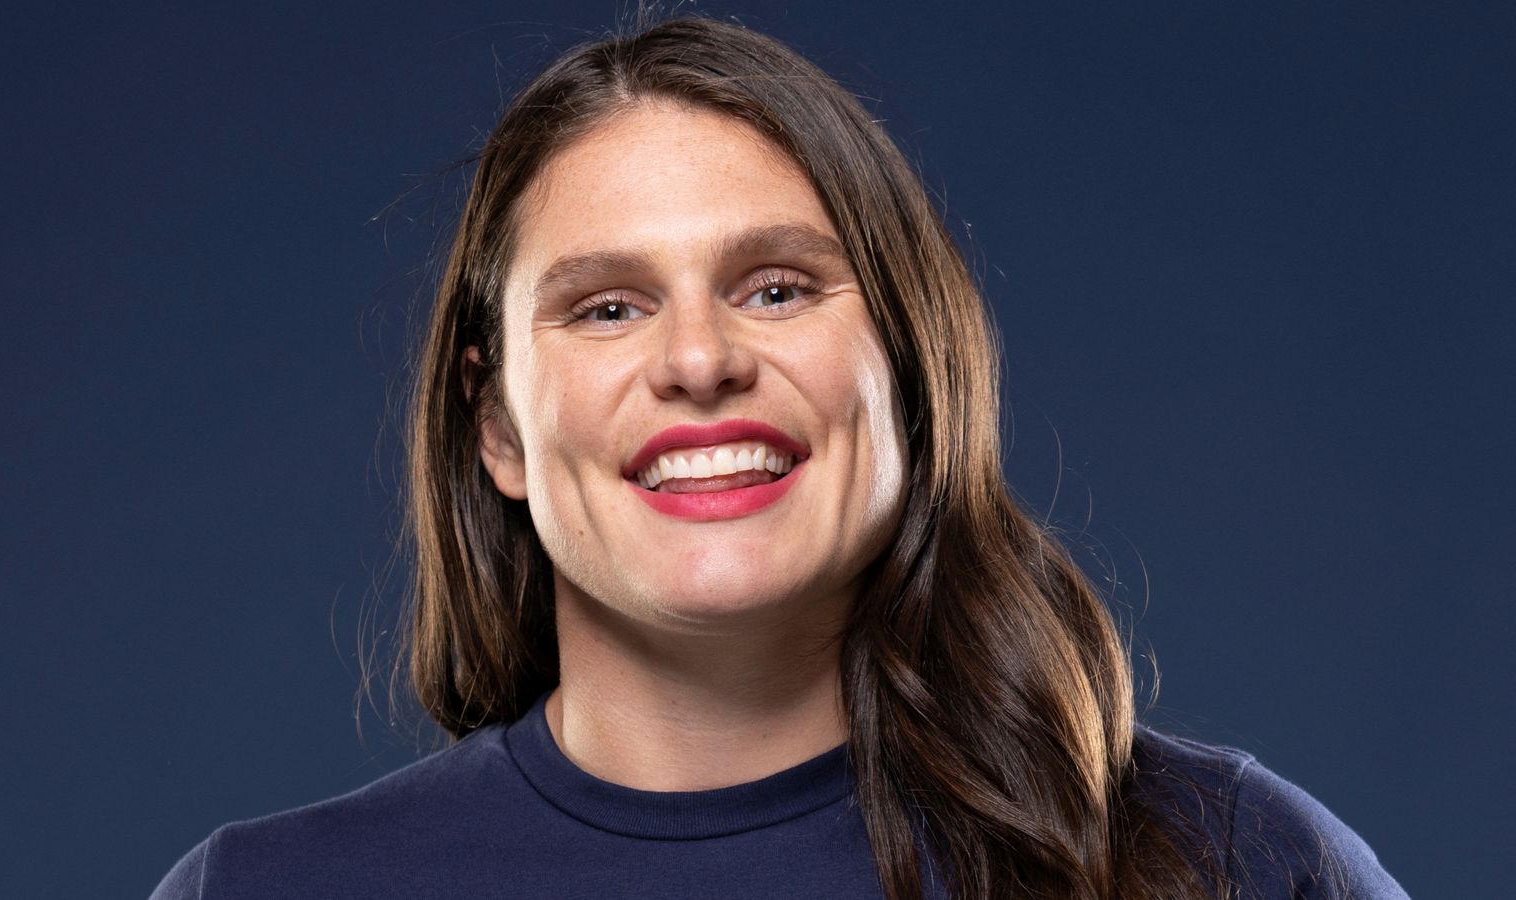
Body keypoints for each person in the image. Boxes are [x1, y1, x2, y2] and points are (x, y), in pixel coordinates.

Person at [152, 16, 1407, 900]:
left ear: (911, 373)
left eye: (775, 288)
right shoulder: (268, 889)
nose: (698, 360)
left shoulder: (1220, 860)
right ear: (496, 432)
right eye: (606, 307)